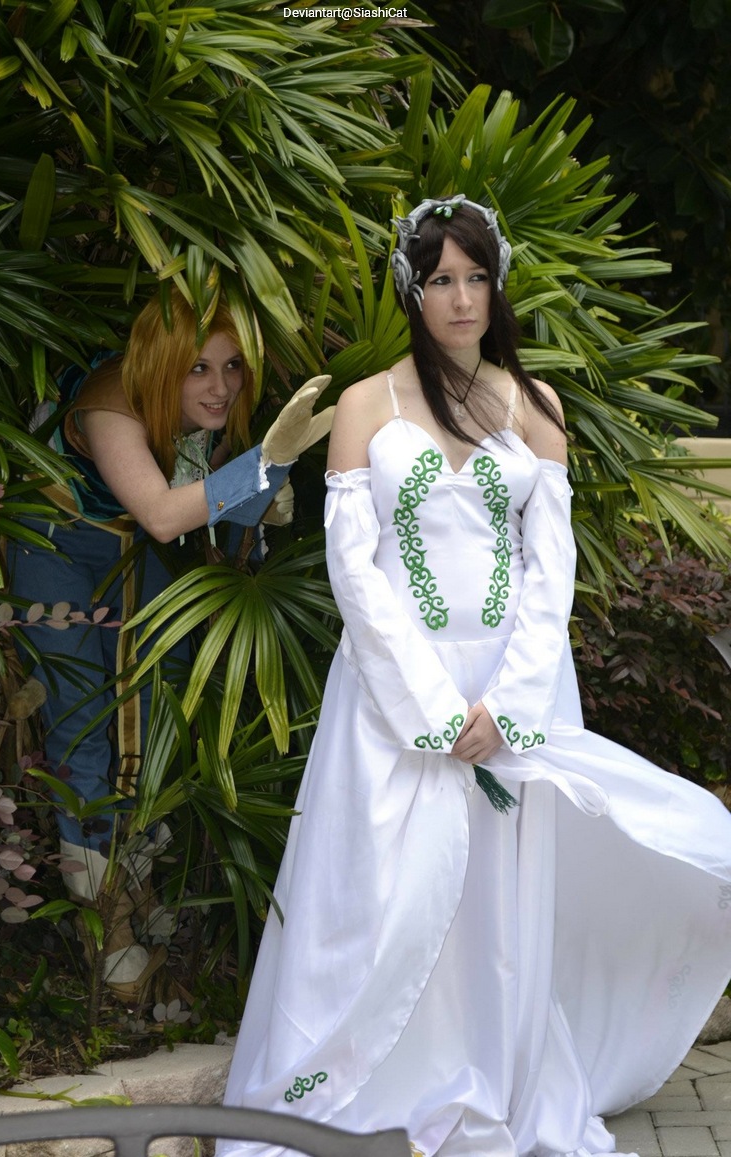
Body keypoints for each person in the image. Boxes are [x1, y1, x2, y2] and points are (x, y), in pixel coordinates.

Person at [218, 195, 731, 1157]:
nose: (460, 298)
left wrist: (506, 704)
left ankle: (492, 1082)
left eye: (476, 278)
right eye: (441, 280)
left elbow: (552, 572)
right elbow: (355, 573)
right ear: (413, 291)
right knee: (381, 900)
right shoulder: (368, 404)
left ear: (498, 289)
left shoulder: (537, 407)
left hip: (516, 692)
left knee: (496, 908)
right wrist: (431, 706)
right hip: (389, 696)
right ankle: (354, 1096)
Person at [8, 288, 331, 1000]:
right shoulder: (110, 398)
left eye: (232, 367)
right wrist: (261, 470)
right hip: (54, 537)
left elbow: (215, 507)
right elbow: (160, 513)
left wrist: (267, 484)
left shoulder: (208, 411)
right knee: (81, 716)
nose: (220, 387)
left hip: (131, 544)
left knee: (159, 696)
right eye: (198, 369)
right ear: (160, 363)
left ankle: (131, 876)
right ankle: (108, 931)